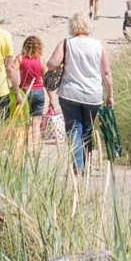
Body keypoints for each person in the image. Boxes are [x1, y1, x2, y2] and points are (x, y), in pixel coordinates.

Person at [47, 14, 112, 174]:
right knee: (88, 129)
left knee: (74, 128)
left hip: (70, 92)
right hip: (93, 94)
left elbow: (52, 64)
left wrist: (63, 64)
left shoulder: (66, 43)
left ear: (72, 26)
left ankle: (78, 165)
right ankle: (85, 164)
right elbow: (106, 73)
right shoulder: (98, 45)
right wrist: (110, 95)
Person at [17, 35, 48, 149]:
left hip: (24, 92)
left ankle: (26, 147)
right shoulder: (41, 59)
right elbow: (46, 80)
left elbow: (13, 74)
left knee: (25, 122)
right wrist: (51, 98)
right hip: (39, 92)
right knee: (36, 123)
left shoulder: (20, 59)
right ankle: (35, 148)